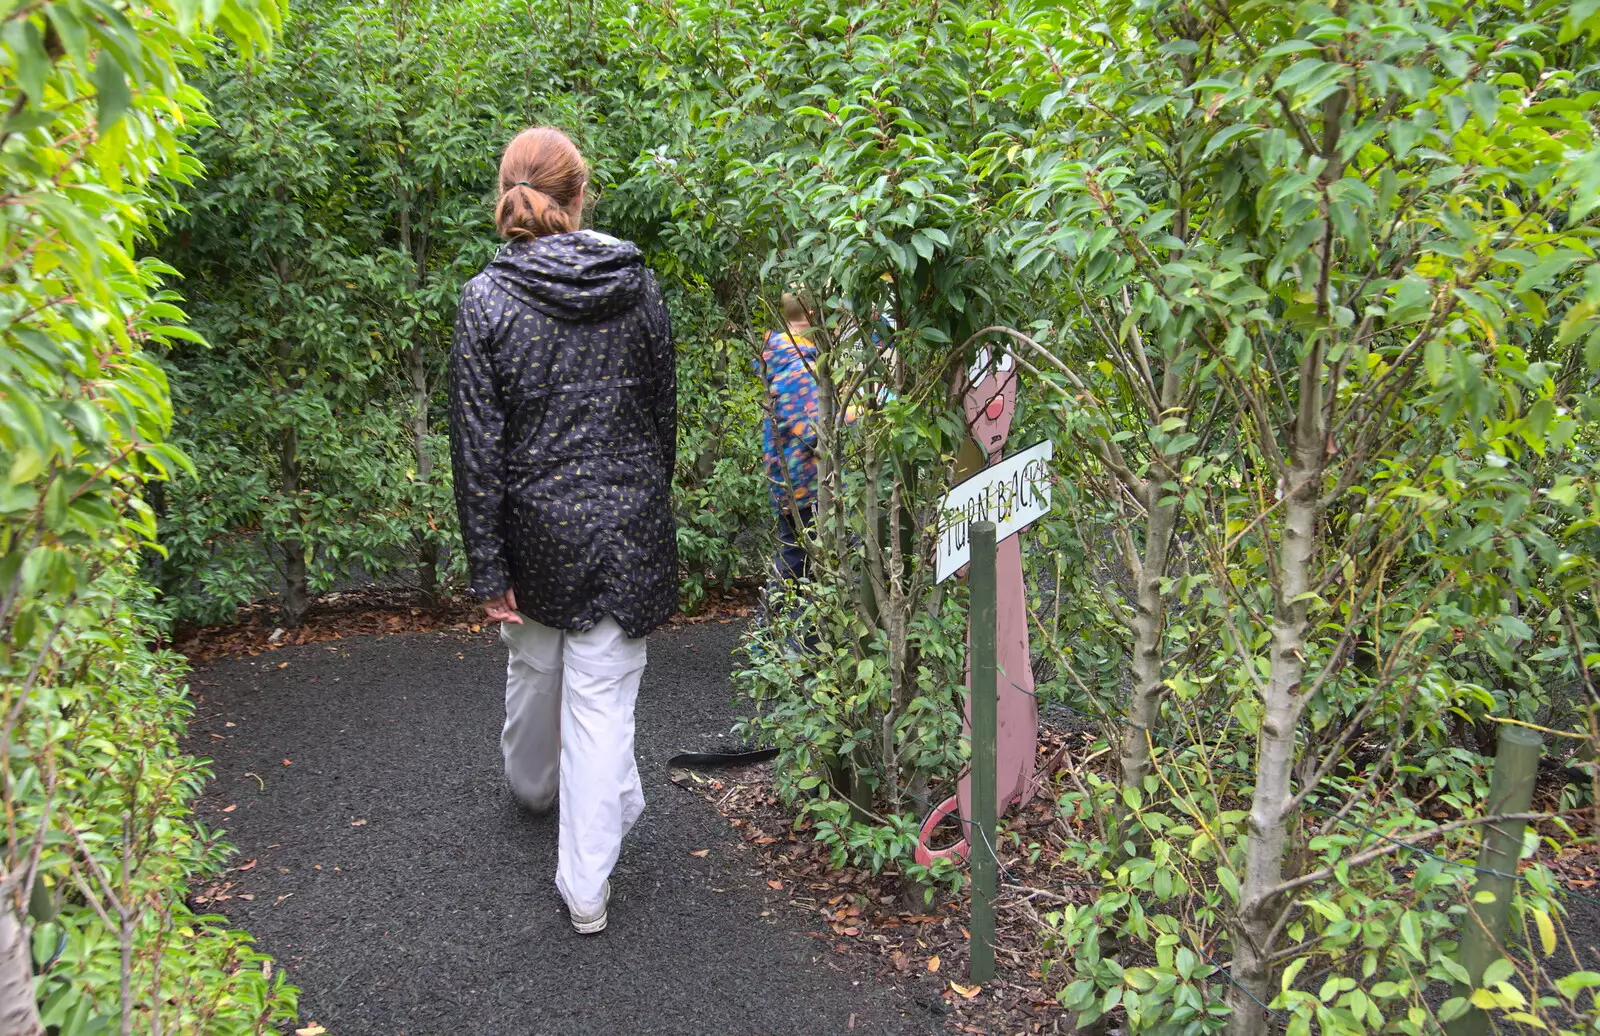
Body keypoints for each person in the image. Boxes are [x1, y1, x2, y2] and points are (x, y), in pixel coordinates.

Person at [447, 126, 676, 935]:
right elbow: (661, 416)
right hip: (625, 521)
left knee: (539, 667)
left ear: (507, 194)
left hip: (534, 526)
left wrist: (488, 568)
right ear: (581, 195)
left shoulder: (485, 300)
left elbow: (478, 448)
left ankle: (537, 789)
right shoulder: (636, 285)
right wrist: (648, 503)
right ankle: (586, 884)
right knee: (601, 702)